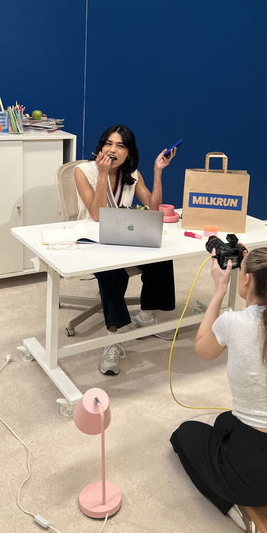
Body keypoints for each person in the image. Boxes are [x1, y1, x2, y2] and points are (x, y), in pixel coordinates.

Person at [170, 247, 267, 533]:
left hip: (253, 472)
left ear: (247, 280)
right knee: (226, 422)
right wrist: (262, 265)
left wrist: (219, 289)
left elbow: (203, 347)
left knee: (185, 435)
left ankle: (245, 509)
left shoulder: (233, 323)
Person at [74, 124, 177, 376]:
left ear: (128, 152)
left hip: (125, 237)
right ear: (100, 147)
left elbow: (153, 209)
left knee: (162, 257)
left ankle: (146, 315)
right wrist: (102, 174)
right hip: (94, 241)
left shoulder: (131, 174)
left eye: (120, 146)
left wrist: (157, 172)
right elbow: (97, 215)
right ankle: (113, 337)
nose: (113, 150)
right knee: (112, 272)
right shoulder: (83, 171)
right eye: (108, 144)